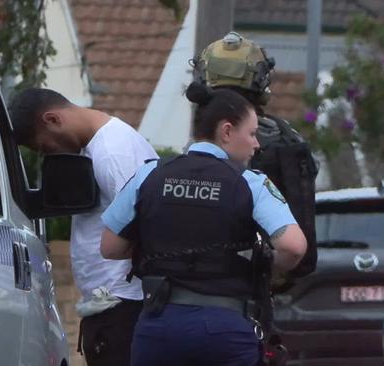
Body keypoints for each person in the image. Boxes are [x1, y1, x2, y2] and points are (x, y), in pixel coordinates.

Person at [100, 82, 307, 366]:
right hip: (225, 331)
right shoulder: (250, 183)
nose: (257, 144)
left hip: (159, 329)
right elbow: (294, 247)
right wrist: (263, 266)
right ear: (226, 131)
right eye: (252, 134)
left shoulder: (150, 174)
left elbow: (110, 247)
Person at [8, 88, 158, 366]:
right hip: (114, 306)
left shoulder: (113, 153)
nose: (49, 154)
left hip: (124, 306)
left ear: (52, 120)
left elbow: (148, 225)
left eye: (45, 147)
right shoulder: (100, 147)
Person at [199, 31, 318, 279]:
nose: (253, 143)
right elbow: (297, 248)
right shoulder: (283, 139)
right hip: (258, 282)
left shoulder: (189, 147)